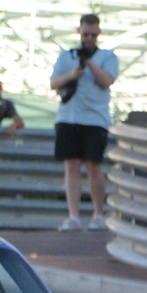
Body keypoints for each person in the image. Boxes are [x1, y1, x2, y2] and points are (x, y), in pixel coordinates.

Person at [50, 13, 118, 230]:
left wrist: (89, 62)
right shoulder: (67, 55)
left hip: (95, 119)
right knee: (71, 165)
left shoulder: (107, 56)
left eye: (93, 34)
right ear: (79, 31)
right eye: (85, 34)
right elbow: (53, 83)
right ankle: (74, 216)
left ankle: (99, 214)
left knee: (94, 166)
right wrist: (72, 74)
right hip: (69, 116)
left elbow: (107, 81)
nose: (88, 38)